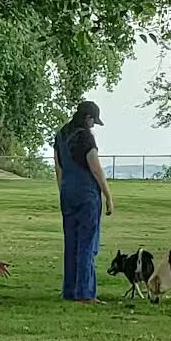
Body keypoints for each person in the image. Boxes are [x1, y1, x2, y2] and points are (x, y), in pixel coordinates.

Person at [53, 100, 114, 304]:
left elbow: (58, 168)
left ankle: (70, 291)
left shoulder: (61, 135)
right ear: (87, 118)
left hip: (67, 192)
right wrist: (108, 196)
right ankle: (86, 293)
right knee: (87, 243)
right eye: (93, 121)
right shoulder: (85, 137)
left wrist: (63, 191)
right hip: (87, 193)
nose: (93, 125)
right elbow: (95, 168)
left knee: (71, 243)